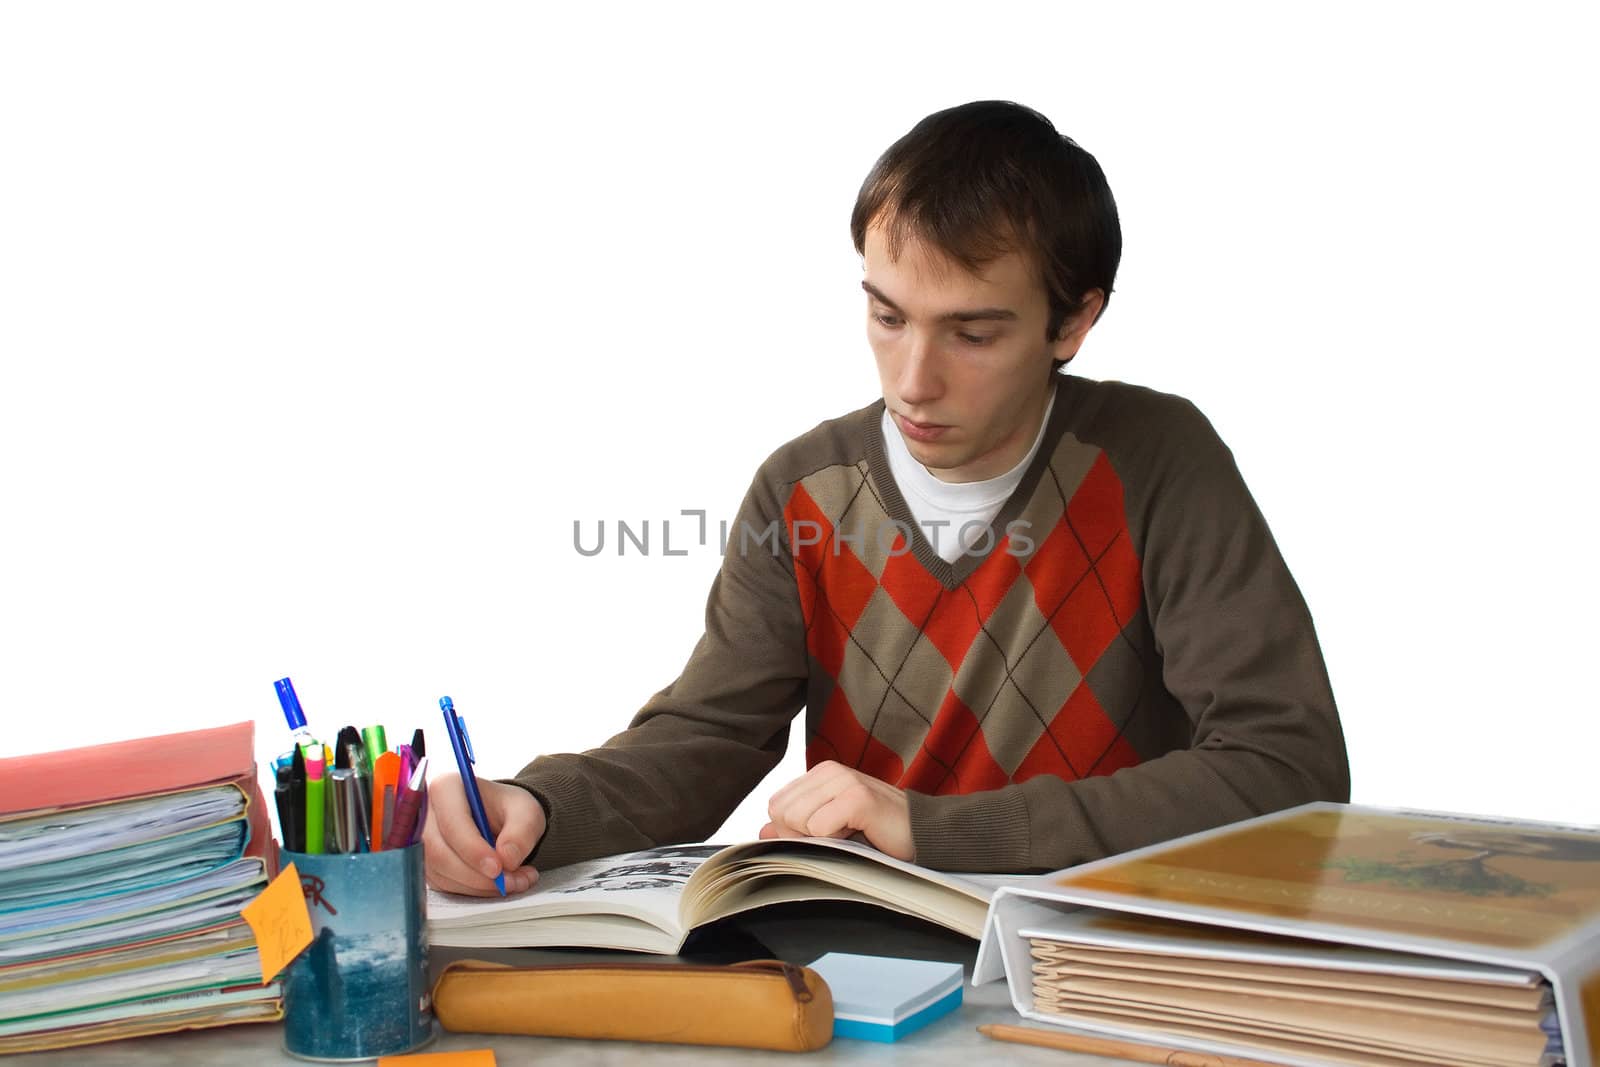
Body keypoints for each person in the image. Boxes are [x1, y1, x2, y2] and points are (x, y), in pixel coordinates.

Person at [422, 100, 1351, 897]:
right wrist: (538, 805)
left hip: (1098, 955)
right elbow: (709, 736)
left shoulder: (1159, 462)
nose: (914, 380)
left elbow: (1287, 772)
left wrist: (940, 830)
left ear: (1074, 322)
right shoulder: (802, 488)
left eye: (972, 334)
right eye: (887, 315)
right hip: (868, 959)